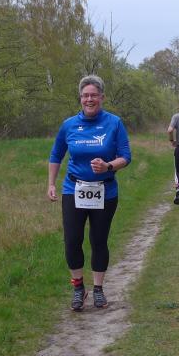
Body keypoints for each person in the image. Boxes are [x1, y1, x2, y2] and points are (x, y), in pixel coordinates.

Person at [48, 75, 132, 312]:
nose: (89, 99)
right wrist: (51, 184)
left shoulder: (114, 123)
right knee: (72, 240)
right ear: (80, 98)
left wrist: (108, 166)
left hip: (105, 190)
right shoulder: (69, 125)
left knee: (98, 240)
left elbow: (126, 156)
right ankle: (78, 288)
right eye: (85, 95)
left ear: (102, 97)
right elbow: (56, 155)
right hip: (74, 189)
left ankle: (98, 289)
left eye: (94, 95)